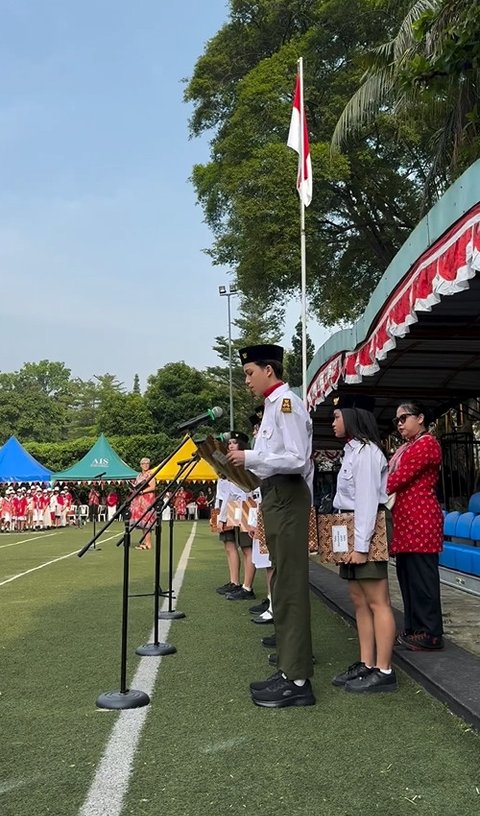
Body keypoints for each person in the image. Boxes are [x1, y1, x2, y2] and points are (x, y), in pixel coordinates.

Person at [227, 344, 315, 708]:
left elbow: (296, 458)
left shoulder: (286, 403)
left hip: (288, 495)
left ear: (268, 370)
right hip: (275, 495)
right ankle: (289, 668)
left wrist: (250, 456)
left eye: (249, 373)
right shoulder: (272, 406)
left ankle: (297, 681)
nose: (246, 380)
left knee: (290, 583)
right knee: (280, 581)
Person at [330, 396, 397, 693]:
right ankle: (366, 662)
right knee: (359, 600)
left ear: (351, 416)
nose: (333, 423)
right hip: (351, 527)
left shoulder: (368, 452)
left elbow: (368, 501)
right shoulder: (352, 452)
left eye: (336, 416)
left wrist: (361, 545)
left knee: (377, 600)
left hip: (365, 529)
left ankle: (384, 669)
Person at [387, 402, 444, 650]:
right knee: (408, 577)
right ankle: (414, 628)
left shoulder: (427, 443)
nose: (399, 423)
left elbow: (398, 478)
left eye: (404, 417)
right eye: (396, 420)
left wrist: (375, 487)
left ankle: (430, 633)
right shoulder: (407, 447)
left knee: (422, 579)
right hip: (406, 521)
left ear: (420, 418)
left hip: (421, 521)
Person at [218, 432, 257, 601]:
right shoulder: (229, 466)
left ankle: (247, 587)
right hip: (233, 508)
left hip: (247, 507)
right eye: (229, 443)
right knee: (233, 544)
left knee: (247, 548)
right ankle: (237, 583)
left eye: (235, 443)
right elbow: (226, 493)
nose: (231, 446)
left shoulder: (247, 464)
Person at [130, 457, 157, 550]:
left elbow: (153, 487)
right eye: (143, 463)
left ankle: (148, 544)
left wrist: (142, 492)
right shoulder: (138, 475)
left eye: (147, 463)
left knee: (147, 522)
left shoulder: (150, 474)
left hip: (147, 500)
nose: (145, 465)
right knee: (143, 523)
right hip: (139, 501)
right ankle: (146, 542)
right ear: (140, 465)